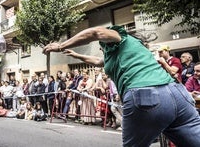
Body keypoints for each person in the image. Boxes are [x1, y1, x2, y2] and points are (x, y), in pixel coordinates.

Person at [43, 25, 200, 146]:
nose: (101, 46)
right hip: (178, 95)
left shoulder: (122, 38)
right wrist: (77, 55)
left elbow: (95, 32)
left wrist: (61, 46)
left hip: (147, 96)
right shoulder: (126, 51)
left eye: (102, 43)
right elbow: (98, 61)